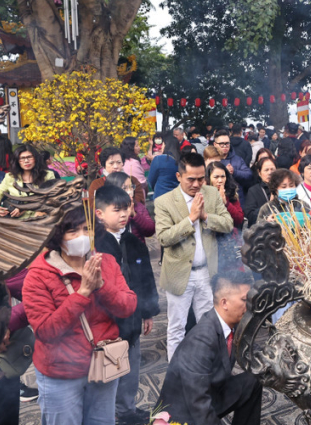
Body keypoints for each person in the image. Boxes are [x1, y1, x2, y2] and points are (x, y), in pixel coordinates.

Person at [22, 207, 137, 425]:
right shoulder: (38, 275)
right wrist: (83, 292)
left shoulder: (107, 263)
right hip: (61, 372)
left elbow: (128, 306)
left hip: (104, 363)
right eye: (72, 231)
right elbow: (46, 330)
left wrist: (101, 285)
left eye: (87, 230)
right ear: (58, 236)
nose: (81, 237)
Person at [156, 152, 234, 360]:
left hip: (207, 273)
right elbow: (163, 238)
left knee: (209, 327)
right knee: (176, 329)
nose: (197, 184)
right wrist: (190, 219)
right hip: (180, 274)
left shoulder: (211, 193)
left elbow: (228, 224)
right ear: (178, 176)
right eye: (191, 179)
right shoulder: (164, 201)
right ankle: (177, 375)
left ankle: (208, 370)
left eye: (201, 178)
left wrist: (206, 216)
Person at [157, 272, 262, 425]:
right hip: (184, 412)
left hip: (211, 392)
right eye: (244, 300)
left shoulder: (234, 324)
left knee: (253, 381)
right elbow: (199, 404)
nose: (249, 306)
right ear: (224, 303)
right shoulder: (200, 341)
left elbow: (253, 349)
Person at [94, 186, 160, 425]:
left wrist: (148, 312)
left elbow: (145, 277)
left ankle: (127, 409)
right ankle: (107, 413)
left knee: (132, 367)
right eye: (117, 210)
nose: (123, 215)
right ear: (99, 213)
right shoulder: (97, 244)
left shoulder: (133, 241)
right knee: (110, 369)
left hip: (133, 316)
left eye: (126, 209)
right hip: (109, 320)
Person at [0, 144, 56, 219]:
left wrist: (24, 207)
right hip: (17, 221)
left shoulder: (48, 175)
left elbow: (51, 197)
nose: (26, 161)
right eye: (22, 158)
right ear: (17, 161)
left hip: (40, 218)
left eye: (29, 157)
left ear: (36, 158)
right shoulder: (10, 177)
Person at [207, 161, 245, 271]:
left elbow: (239, 219)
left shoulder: (231, 194)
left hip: (231, 243)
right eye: (216, 177)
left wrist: (226, 203)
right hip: (212, 243)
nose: (220, 180)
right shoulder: (203, 195)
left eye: (223, 176)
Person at [104, 172, 155, 244]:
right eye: (125, 188)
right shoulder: (105, 209)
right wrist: (126, 215)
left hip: (138, 251)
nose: (129, 190)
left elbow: (150, 230)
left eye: (131, 187)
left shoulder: (138, 207)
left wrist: (134, 214)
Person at [244, 157, 276, 228]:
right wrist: (268, 205)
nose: (270, 173)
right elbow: (250, 215)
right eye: (266, 170)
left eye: (272, 169)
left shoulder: (281, 189)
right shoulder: (253, 190)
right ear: (259, 173)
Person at [148, 133, 181, 200]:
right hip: (177, 196)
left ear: (166, 145)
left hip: (161, 195)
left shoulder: (158, 159)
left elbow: (151, 180)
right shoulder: (181, 160)